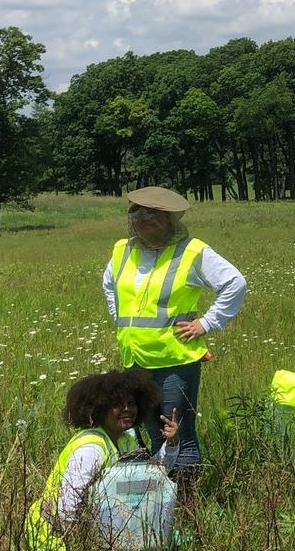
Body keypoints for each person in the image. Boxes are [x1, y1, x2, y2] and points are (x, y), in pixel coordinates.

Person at [102, 186, 246, 474]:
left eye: (151, 216)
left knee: (178, 433)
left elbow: (234, 283)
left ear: (170, 219)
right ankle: (162, 499)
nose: (143, 221)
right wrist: (122, 320)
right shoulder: (122, 250)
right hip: (136, 359)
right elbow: (109, 285)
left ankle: (187, 504)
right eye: (138, 215)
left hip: (175, 363)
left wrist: (206, 323)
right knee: (154, 433)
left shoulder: (192, 251)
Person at [25, 368, 180, 551]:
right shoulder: (91, 449)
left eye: (131, 403)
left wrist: (171, 444)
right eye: (117, 405)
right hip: (54, 542)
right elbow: (67, 509)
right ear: (100, 409)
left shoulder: (125, 439)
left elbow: (152, 477)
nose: (127, 409)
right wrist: (89, 549)